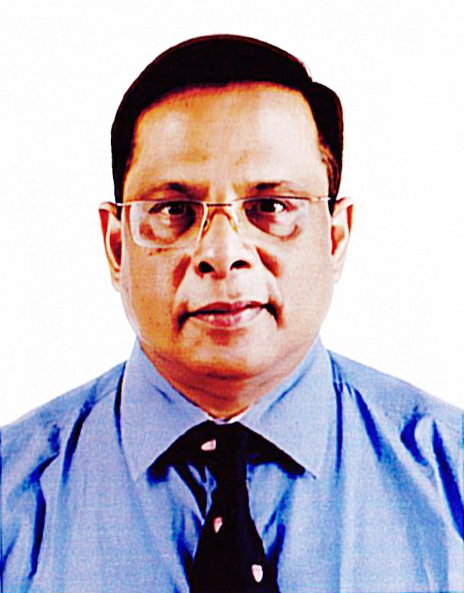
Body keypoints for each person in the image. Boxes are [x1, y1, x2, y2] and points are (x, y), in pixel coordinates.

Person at [1, 35, 463, 593]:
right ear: (116, 246)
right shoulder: (11, 496)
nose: (222, 253)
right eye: (174, 210)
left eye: (270, 207)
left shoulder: (451, 479)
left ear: (335, 237)